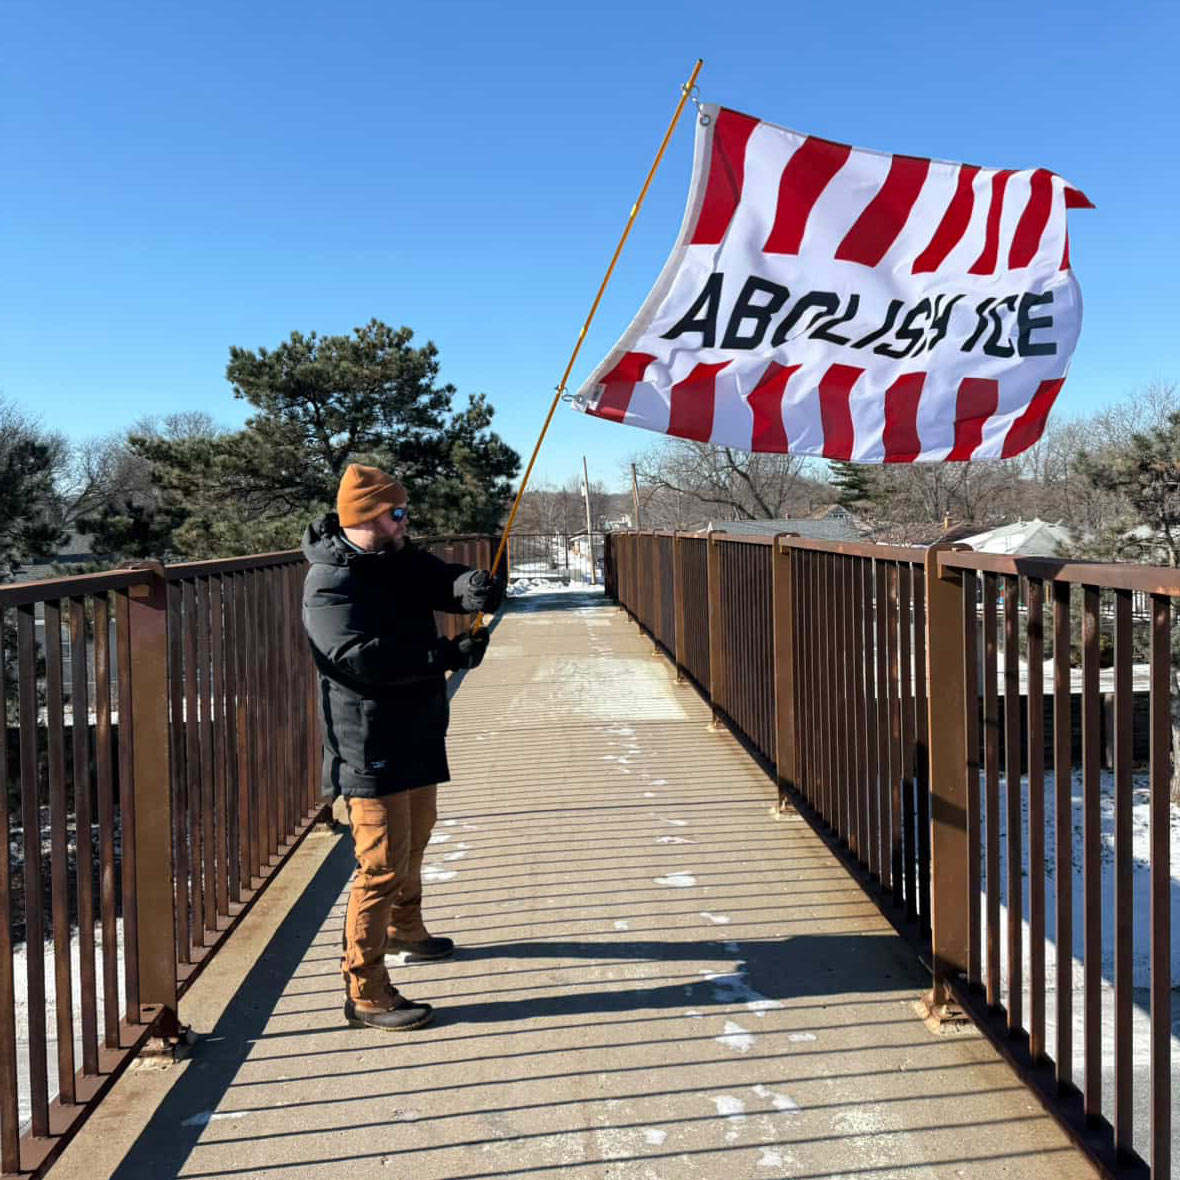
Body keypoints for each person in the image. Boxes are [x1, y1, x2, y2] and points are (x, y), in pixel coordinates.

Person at [301, 463, 503, 1031]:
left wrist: (472, 588)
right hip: (368, 740)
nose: (404, 521)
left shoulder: (398, 557)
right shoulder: (330, 582)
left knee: (417, 836)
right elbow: (357, 657)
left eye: (404, 511)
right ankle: (364, 988)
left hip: (415, 723)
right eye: (396, 513)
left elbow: (443, 582)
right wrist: (443, 656)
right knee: (382, 863)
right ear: (366, 518)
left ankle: (405, 930)